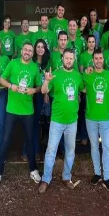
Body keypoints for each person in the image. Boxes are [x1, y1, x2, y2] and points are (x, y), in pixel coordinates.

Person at [0, 42, 42, 187]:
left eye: (30, 51)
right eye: (25, 49)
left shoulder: (34, 67)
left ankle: (33, 169)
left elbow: (40, 86)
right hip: (12, 109)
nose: (27, 52)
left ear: (32, 54)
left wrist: (34, 90)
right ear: (21, 51)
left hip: (28, 110)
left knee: (30, 140)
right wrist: (10, 86)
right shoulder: (13, 63)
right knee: (5, 140)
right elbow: (2, 79)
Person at [38, 49, 84, 193]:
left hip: (72, 121)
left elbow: (83, 90)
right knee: (51, 150)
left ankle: (66, 177)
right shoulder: (55, 74)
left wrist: (89, 73)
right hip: (57, 120)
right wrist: (47, 80)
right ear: (62, 59)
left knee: (70, 151)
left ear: (74, 60)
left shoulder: (77, 75)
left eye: (71, 58)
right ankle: (46, 179)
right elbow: (43, 91)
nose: (69, 60)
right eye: (66, 58)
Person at [82, 48, 109, 191]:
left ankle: (107, 177)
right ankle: (97, 173)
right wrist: (85, 71)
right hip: (90, 118)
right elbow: (80, 86)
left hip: (105, 118)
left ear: (103, 59)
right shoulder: (87, 75)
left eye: (101, 58)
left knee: (106, 147)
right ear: (93, 60)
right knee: (94, 146)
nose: (98, 61)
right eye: (96, 58)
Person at [21, 39, 51, 163]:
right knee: (29, 123)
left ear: (45, 49)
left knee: (37, 123)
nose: (40, 49)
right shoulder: (31, 61)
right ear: (34, 49)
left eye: (42, 47)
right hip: (28, 95)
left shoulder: (47, 63)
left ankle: (36, 150)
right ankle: (25, 151)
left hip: (39, 95)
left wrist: (46, 94)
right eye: (38, 47)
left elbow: (48, 80)